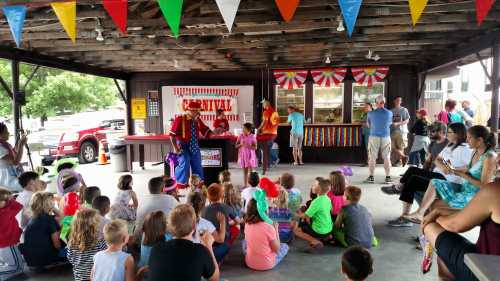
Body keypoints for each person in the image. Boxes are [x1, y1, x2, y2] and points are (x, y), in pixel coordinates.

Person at [385, 122, 472, 227]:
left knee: (412, 170)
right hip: (438, 174)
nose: (447, 134)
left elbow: (470, 167)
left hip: (448, 180)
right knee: (412, 181)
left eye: (450, 132)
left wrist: (452, 169)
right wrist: (443, 166)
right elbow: (437, 160)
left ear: (458, 134)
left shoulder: (466, 148)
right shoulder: (450, 145)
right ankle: (405, 216)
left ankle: (398, 187)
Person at [405, 125, 497, 222]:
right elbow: (469, 169)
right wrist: (453, 169)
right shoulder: (475, 151)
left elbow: (484, 186)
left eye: (469, 138)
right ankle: (420, 214)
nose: (467, 140)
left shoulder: (489, 157)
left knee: (434, 205)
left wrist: (461, 174)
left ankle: (429, 231)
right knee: (433, 182)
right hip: (464, 188)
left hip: (475, 195)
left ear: (479, 140)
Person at [421, 182, 500, 280]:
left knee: (430, 225)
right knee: (444, 258)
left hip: (483, 272)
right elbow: (482, 215)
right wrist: (439, 212)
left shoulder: (495, 190)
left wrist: (435, 217)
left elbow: (455, 225)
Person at [147, 204, 220, 281]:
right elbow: (215, 278)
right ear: (194, 227)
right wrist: (209, 246)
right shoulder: (200, 251)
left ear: (170, 227)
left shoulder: (156, 249)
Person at [170, 101, 212, 189]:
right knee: (185, 161)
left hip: (194, 144)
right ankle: (180, 184)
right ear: (191, 111)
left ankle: (198, 184)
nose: (199, 113)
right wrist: (176, 148)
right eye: (198, 111)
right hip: (182, 144)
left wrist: (214, 133)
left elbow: (205, 131)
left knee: (197, 163)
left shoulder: (197, 120)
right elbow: (171, 135)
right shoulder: (180, 119)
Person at [22, 191, 66, 270]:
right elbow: (57, 245)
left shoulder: (32, 219)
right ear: (49, 204)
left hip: (31, 262)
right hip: (45, 261)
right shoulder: (49, 220)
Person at [244, 195, 289, 271]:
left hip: (249, 262)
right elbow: (276, 249)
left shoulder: (247, 224)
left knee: (244, 243)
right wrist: (276, 229)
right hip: (266, 264)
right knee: (284, 246)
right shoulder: (269, 227)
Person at [67, 209, 107, 281]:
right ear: (94, 226)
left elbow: (70, 259)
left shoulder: (71, 244)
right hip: (96, 277)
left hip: (79, 278)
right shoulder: (100, 243)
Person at [294, 177, 333, 250]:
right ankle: (326, 236)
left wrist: (295, 214)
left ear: (320, 189)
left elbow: (305, 216)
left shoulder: (316, 202)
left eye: (315, 185)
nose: (313, 186)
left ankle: (315, 241)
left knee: (296, 230)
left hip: (319, 230)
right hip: (329, 228)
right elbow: (330, 210)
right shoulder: (327, 199)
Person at [201, 183, 236, 263]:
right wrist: (227, 223)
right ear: (221, 195)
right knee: (234, 230)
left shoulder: (204, 210)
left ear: (208, 196)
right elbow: (237, 221)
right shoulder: (226, 207)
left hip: (209, 240)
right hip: (221, 240)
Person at [365, 95, 393, 184]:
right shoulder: (390, 113)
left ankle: (371, 177)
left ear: (376, 103)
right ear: (384, 103)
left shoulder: (370, 113)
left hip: (373, 136)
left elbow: (368, 125)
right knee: (387, 157)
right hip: (386, 136)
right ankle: (388, 177)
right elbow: (389, 123)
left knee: (372, 157)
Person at [0, 187, 24, 280]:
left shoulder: (4, 210)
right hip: (8, 244)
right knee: (17, 267)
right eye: (5, 200)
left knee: (9, 264)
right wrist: (11, 200)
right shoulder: (5, 212)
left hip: (4, 244)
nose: (7, 202)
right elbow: (19, 206)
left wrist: (8, 199)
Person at [0, 123, 27, 192]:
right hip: (9, 182)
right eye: (6, 132)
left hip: (13, 179)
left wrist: (21, 144)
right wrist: (20, 146)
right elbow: (15, 161)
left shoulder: (5, 145)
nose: (8, 133)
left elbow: (15, 154)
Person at [257, 100, 280, 170]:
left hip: (267, 134)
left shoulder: (266, 112)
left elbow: (264, 122)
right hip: (274, 133)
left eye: (263, 104)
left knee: (265, 149)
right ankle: (274, 159)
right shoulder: (275, 112)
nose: (263, 106)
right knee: (266, 149)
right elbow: (277, 123)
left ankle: (269, 164)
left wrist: (258, 129)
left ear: (266, 105)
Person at [390, 96, 410, 167]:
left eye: (400, 100)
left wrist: (398, 123)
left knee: (401, 146)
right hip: (392, 131)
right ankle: (403, 157)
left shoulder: (404, 110)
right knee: (391, 146)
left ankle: (400, 162)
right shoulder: (391, 111)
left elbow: (407, 120)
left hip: (402, 131)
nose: (399, 101)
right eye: (397, 100)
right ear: (394, 101)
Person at [236, 123, 257, 187]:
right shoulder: (240, 136)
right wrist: (241, 144)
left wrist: (248, 146)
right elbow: (236, 146)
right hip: (243, 156)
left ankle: (252, 185)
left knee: (251, 172)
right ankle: (245, 185)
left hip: (250, 156)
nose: (242, 129)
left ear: (249, 129)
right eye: (242, 128)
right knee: (245, 172)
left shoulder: (252, 136)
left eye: (244, 128)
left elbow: (255, 148)